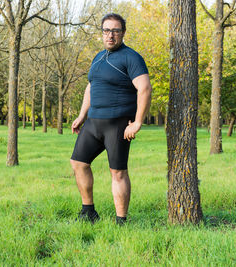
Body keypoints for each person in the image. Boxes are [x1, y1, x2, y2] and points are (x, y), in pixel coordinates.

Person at [70, 13, 152, 224]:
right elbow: (91, 86)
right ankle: (88, 211)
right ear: (102, 33)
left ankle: (121, 220)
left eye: (115, 31)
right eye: (106, 30)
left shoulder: (131, 57)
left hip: (117, 124)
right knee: (78, 163)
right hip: (93, 123)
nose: (110, 35)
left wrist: (137, 122)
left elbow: (144, 89)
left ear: (123, 33)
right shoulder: (98, 57)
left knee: (118, 172)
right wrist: (81, 115)